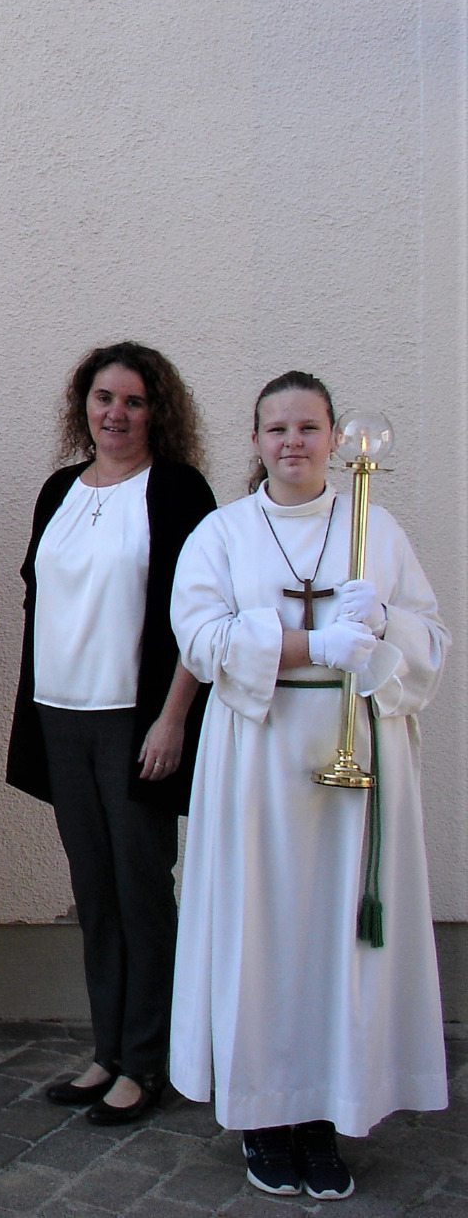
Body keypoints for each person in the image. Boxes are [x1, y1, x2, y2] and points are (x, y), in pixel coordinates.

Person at [170, 371, 448, 1200]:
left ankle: (326, 1117)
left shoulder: (378, 529)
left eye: (308, 426)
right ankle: (263, 1113)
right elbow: (200, 638)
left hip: (355, 751)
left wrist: (384, 623)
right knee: (266, 931)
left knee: (336, 940)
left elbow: (430, 640)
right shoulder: (223, 533)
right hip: (257, 754)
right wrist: (307, 643)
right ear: (254, 441)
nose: (292, 440)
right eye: (275, 428)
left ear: (334, 438)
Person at [3, 344, 215, 1125]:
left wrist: (172, 717)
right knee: (95, 896)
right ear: (82, 405)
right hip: (62, 715)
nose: (116, 413)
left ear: (157, 409)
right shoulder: (61, 487)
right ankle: (107, 1051)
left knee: (140, 893)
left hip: (137, 721)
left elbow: (200, 616)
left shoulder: (180, 490)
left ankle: (146, 1062)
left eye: (132, 400)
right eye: (103, 398)